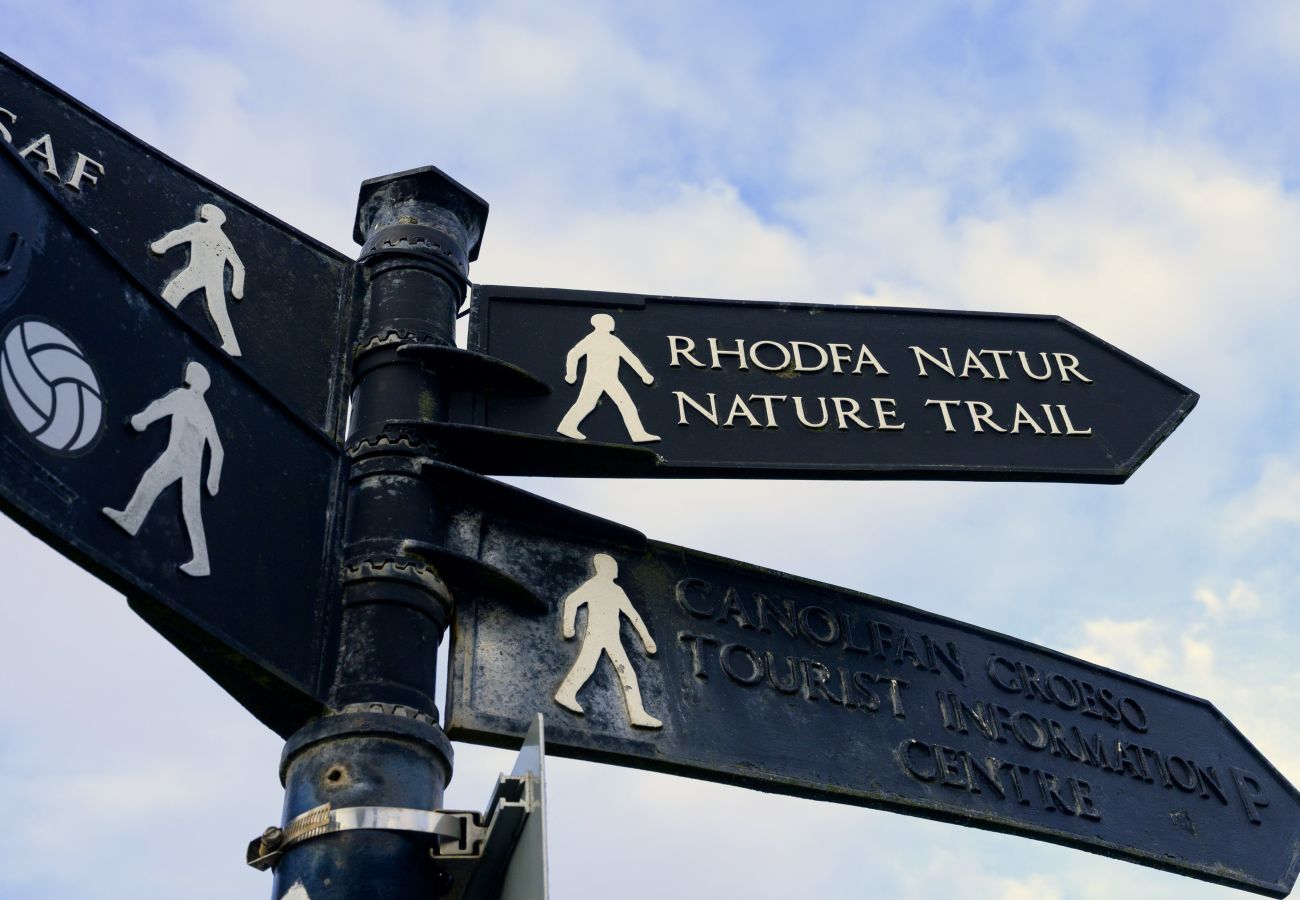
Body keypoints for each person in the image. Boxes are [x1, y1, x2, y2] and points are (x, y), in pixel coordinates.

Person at [102, 361, 224, 577]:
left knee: (156, 484)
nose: (188, 375)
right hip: (189, 463)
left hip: (179, 457)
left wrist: (142, 420)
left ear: (197, 380)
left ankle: (132, 520)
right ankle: (202, 561)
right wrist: (211, 479)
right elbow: (217, 449)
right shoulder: (203, 410)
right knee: (189, 508)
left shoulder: (185, 398)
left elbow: (160, 406)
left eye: (192, 374)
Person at [554, 553, 663, 729]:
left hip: (611, 636)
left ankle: (637, 714)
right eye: (613, 568)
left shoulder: (616, 590)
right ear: (604, 568)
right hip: (596, 634)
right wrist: (568, 626)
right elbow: (572, 601)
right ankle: (566, 694)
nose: (616, 572)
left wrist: (647, 638)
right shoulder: (594, 585)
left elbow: (632, 614)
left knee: (624, 671)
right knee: (590, 666)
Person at [151, 204, 246, 356]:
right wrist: (236, 289)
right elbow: (239, 267)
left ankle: (157, 317)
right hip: (212, 278)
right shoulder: (224, 239)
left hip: (198, 272)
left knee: (173, 291)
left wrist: (161, 245)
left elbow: (178, 235)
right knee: (218, 310)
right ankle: (232, 345)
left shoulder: (200, 228)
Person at [556, 313, 660, 443]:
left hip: (603, 378)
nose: (613, 324)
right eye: (610, 322)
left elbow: (630, 358)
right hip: (602, 378)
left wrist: (645, 375)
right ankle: (638, 434)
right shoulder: (598, 339)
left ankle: (567, 426)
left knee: (588, 404)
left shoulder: (608, 340)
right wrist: (571, 374)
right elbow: (573, 354)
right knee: (625, 404)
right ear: (603, 324)